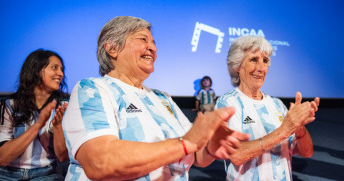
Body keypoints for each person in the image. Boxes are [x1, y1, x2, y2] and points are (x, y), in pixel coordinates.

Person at [62, 16, 250, 181]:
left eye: (153, 42)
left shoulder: (163, 99)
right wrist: (186, 143)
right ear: (112, 48)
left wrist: (208, 148)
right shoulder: (92, 89)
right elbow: (100, 162)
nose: (152, 48)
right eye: (143, 39)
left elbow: (195, 153)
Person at [214, 36, 320, 181]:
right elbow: (237, 155)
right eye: (253, 60)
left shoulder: (277, 105)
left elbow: (307, 152)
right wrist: (285, 130)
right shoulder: (227, 103)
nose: (261, 68)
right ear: (237, 66)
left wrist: (299, 128)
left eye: (265, 61)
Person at [0, 49, 69, 180]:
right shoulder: (8, 105)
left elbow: (62, 157)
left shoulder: (63, 106)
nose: (60, 74)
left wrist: (58, 126)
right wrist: (38, 124)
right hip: (7, 175)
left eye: (61, 69)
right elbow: (2, 158)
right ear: (36, 70)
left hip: (46, 174)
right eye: (54, 67)